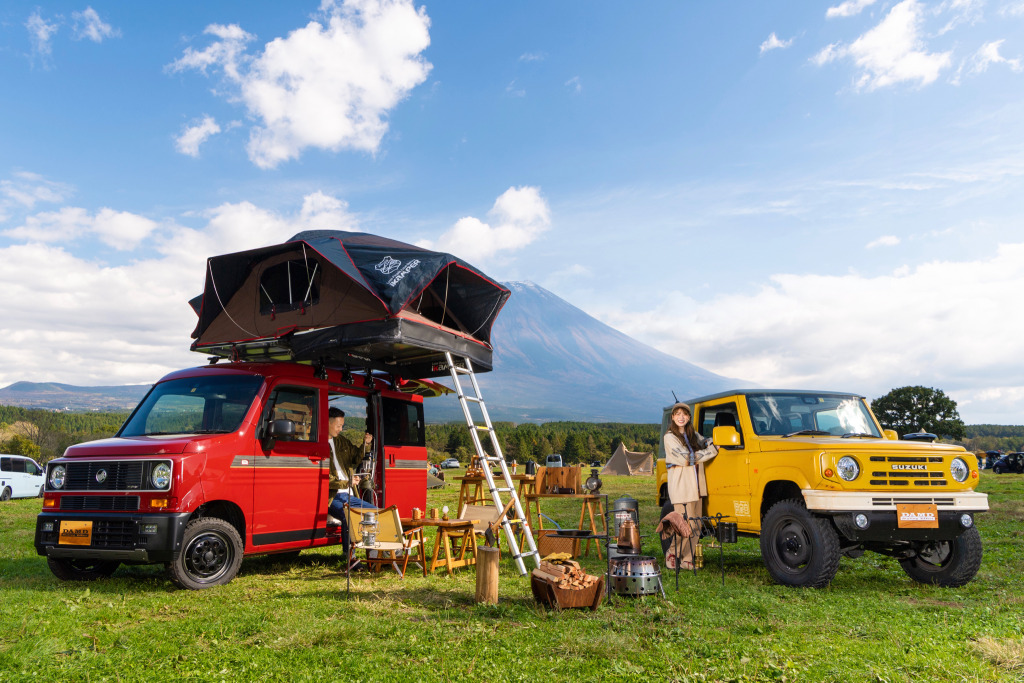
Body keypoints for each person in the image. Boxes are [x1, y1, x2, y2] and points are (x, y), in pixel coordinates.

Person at [663, 402, 718, 570]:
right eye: (677, 414)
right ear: (672, 417)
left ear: (688, 417)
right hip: (682, 485)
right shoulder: (669, 437)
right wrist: (711, 450)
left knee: (696, 524)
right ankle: (672, 554)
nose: (681, 417)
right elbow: (687, 458)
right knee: (683, 523)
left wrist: (710, 443)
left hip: (697, 485)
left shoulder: (692, 434)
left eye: (684, 414)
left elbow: (706, 441)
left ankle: (687, 558)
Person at [325, 407, 374, 551]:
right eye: (338, 426)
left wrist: (366, 444)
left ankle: (372, 554)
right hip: (331, 497)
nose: (341, 429)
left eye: (342, 426)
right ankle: (350, 557)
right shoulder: (318, 444)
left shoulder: (342, 441)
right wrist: (347, 482)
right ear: (327, 423)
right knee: (349, 515)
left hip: (348, 493)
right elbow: (323, 479)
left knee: (374, 512)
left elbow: (356, 457)